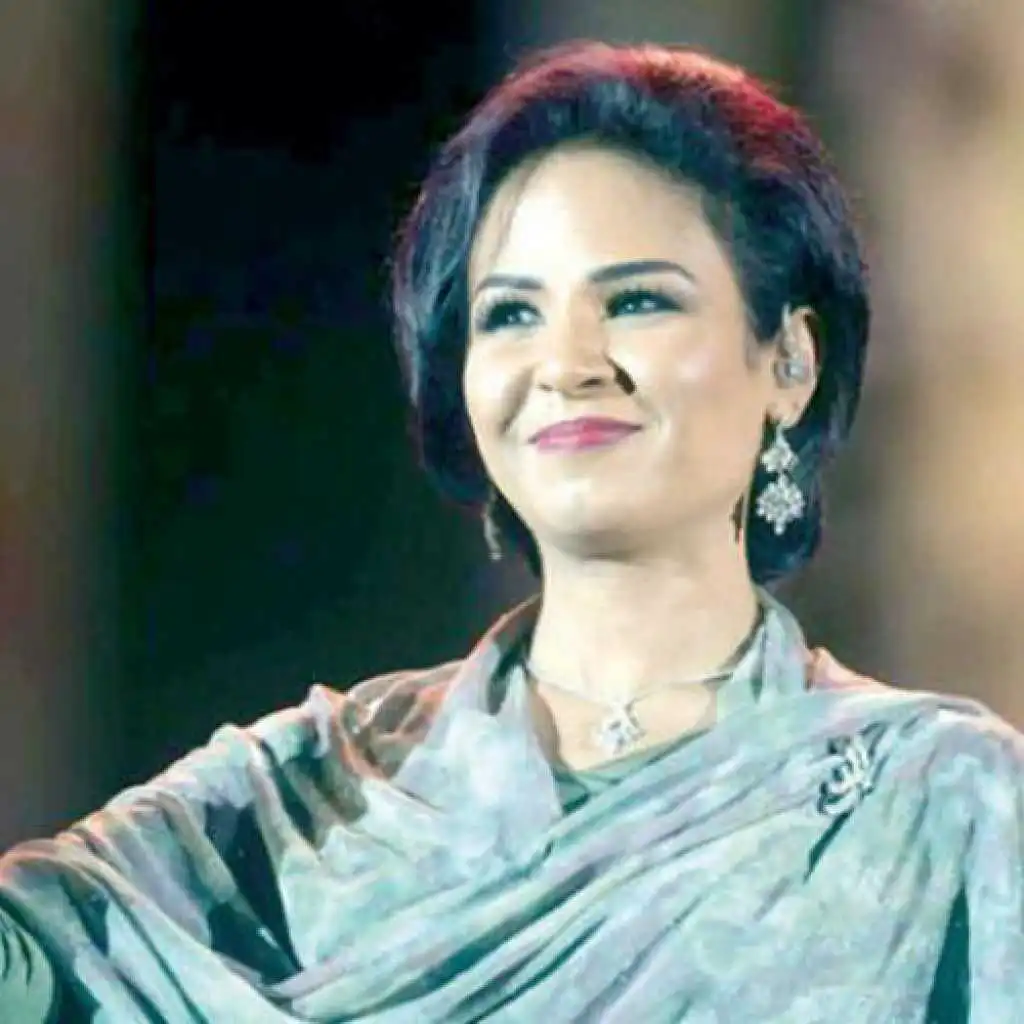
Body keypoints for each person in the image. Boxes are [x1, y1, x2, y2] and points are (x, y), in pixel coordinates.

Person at [1, 39, 1021, 1022]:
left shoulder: (942, 808)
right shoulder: (306, 802)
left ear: (789, 361)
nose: (565, 364)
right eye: (510, 316)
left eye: (637, 301)